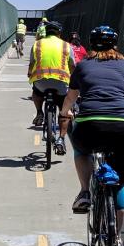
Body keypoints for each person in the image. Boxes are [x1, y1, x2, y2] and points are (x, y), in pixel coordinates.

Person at [59, 25, 124, 246]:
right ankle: (116, 239)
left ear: (91, 45)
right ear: (114, 44)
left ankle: (85, 191)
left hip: (90, 124)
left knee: (81, 150)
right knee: (117, 183)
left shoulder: (83, 65)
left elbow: (71, 97)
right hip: (123, 127)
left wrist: (65, 114)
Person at [28, 21, 76, 154]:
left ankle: (39, 112)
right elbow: (72, 65)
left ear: (46, 32)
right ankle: (61, 139)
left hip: (41, 82)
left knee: (36, 91)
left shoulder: (37, 44)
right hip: (61, 82)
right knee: (64, 111)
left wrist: (30, 74)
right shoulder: (66, 45)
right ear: (59, 33)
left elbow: (32, 64)